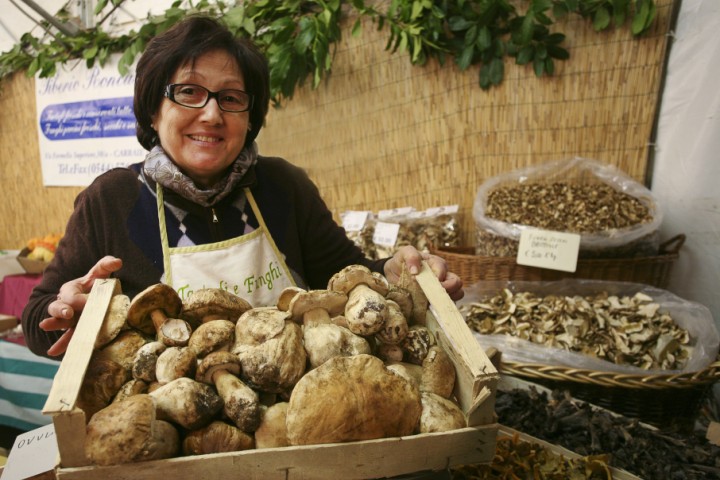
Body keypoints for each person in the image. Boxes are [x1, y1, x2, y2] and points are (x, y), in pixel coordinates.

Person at [21, 15, 463, 360]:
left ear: (249, 119)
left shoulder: (282, 186)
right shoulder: (111, 199)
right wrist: (65, 316)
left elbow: (346, 275)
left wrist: (393, 273)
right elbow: (38, 317)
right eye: (189, 92)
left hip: (293, 418)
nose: (212, 115)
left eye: (231, 98)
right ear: (153, 109)